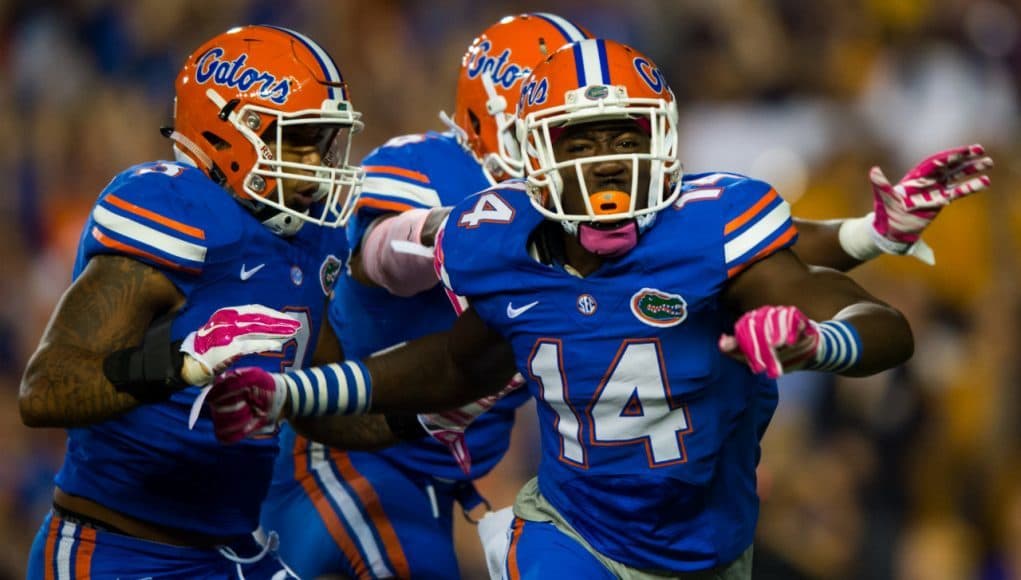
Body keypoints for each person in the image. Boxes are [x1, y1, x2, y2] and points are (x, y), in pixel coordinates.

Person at [201, 38, 989, 578]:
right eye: (580, 140)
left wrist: (818, 340)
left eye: (622, 135)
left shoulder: (710, 229)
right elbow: (445, 360)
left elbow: (881, 326)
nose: (605, 163)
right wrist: (294, 389)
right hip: (566, 529)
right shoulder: (486, 234)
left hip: (706, 538)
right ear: (529, 151)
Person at [18, 25, 364, 579]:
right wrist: (180, 364)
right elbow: (45, 390)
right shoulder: (174, 212)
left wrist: (434, 404)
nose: (318, 163)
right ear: (231, 134)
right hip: (119, 551)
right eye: (299, 139)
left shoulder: (313, 239)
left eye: (325, 141)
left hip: (234, 552)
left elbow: (324, 396)